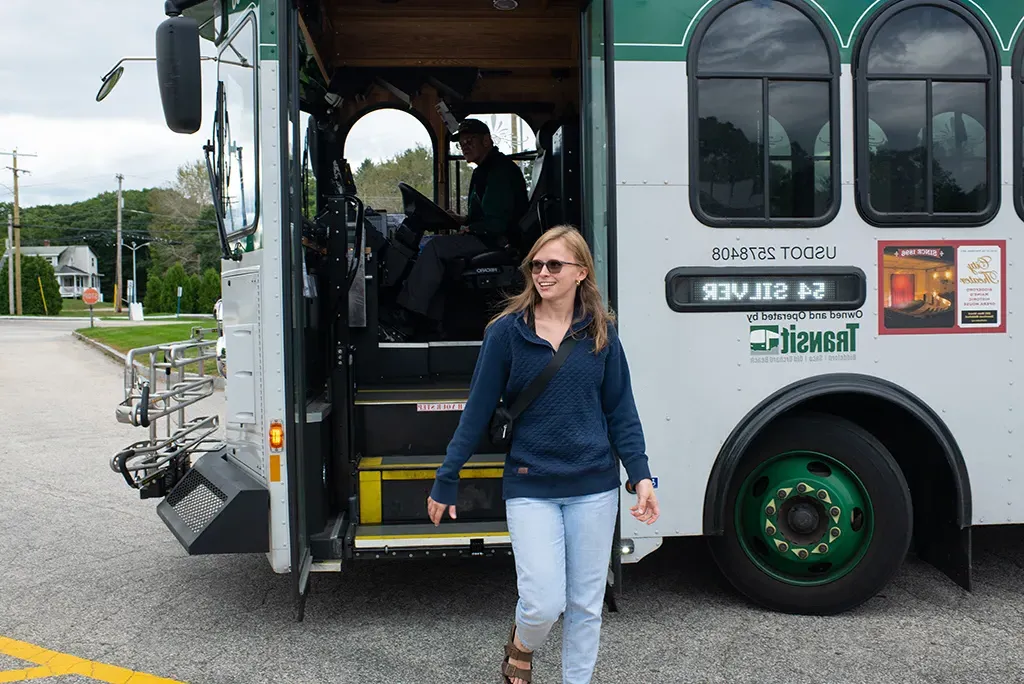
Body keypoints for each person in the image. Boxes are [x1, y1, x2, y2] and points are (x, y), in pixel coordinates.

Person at [426, 225, 659, 684]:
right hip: (530, 483)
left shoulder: (601, 333)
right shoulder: (506, 334)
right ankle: (522, 643)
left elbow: (621, 411)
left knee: (586, 605)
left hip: (593, 485)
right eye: (536, 265)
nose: (543, 273)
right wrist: (447, 475)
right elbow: (475, 413)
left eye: (554, 265)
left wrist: (642, 476)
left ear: (581, 273)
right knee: (543, 601)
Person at [395, 118, 528, 326]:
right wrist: (461, 220)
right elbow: (485, 216)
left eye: (470, 141)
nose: (465, 146)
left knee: (436, 247)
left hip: (499, 241)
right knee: (435, 246)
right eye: (461, 143)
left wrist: (469, 228)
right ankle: (433, 319)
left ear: (486, 140)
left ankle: (408, 315)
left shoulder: (499, 171)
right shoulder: (483, 170)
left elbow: (497, 223)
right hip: (488, 236)